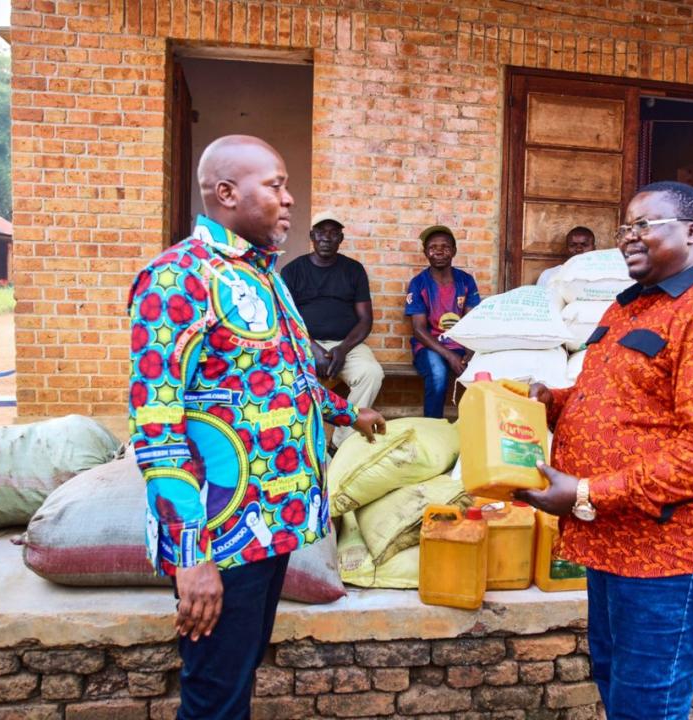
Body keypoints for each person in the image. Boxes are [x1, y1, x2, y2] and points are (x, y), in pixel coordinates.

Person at [127, 135, 386, 720]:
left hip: (270, 522)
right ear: (226, 193)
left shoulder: (266, 278)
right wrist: (191, 558)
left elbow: (282, 379)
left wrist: (349, 412)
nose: (289, 200)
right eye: (275, 186)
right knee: (214, 695)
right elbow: (156, 424)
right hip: (220, 538)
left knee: (238, 678)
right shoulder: (177, 279)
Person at [516, 181, 693, 719]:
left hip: (674, 556)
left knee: (648, 705)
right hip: (616, 541)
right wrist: (552, 402)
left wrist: (588, 491)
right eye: (625, 228)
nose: (629, 238)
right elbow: (620, 399)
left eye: (644, 225)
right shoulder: (626, 309)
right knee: (617, 685)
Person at [281, 211, 384, 447]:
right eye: (321, 232)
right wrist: (313, 348)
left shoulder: (353, 270)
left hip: (347, 343)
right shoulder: (292, 271)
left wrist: (343, 349)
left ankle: (340, 443)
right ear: (311, 236)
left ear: (341, 238)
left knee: (371, 373)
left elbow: (365, 319)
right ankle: (299, 441)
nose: (326, 237)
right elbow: (285, 320)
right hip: (304, 342)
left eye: (333, 232)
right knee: (288, 378)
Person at [404, 225, 481, 418]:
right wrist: (450, 356)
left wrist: (471, 352)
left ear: (454, 251)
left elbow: (473, 321)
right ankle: (433, 430)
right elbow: (419, 330)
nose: (439, 251)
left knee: (484, 373)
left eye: (445, 247)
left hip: (462, 346)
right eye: (433, 247)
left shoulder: (466, 281)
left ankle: (477, 429)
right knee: (438, 374)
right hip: (430, 347)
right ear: (425, 253)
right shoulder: (419, 283)